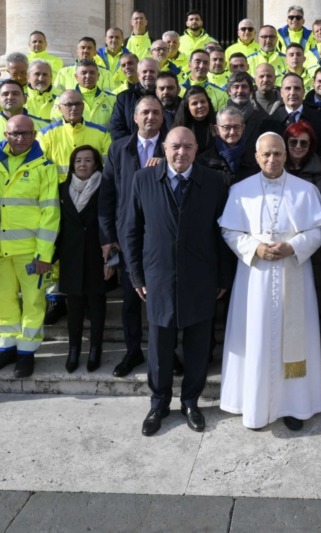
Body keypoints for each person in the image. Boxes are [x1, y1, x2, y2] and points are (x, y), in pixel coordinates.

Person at [124, 127, 232, 436]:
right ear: (164, 148)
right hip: (158, 276)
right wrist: (136, 275)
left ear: (197, 149)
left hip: (201, 277)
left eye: (187, 146)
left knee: (198, 345)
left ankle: (190, 402)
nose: (181, 152)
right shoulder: (143, 179)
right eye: (175, 146)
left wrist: (223, 276)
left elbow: (224, 233)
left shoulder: (213, 182)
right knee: (160, 345)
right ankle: (159, 403)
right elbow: (132, 230)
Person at [219, 133, 321, 431]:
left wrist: (293, 246)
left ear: (286, 155)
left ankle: (294, 405)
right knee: (256, 338)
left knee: (294, 341)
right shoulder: (241, 191)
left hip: (294, 274)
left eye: (278, 154)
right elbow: (229, 231)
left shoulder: (305, 191)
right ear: (256, 156)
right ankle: (254, 405)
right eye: (266, 154)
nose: (272, 159)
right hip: (255, 280)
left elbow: (317, 232)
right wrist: (255, 248)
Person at [0, 115, 60, 378]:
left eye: (26, 134)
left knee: (34, 303)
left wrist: (44, 254)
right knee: (2, 302)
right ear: (5, 134)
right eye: (15, 133)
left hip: (30, 251)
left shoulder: (46, 167)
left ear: (34, 134)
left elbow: (51, 213)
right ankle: (7, 347)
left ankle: (26, 352)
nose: (20, 138)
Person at [99, 96, 167, 377]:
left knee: (162, 299)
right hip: (128, 237)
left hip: (161, 235)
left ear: (162, 117)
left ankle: (164, 353)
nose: (150, 117)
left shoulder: (171, 147)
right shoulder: (118, 149)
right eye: (144, 113)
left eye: (155, 112)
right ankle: (133, 351)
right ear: (135, 118)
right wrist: (107, 237)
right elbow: (107, 194)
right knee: (130, 300)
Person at [55, 145, 113, 373]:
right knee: (75, 307)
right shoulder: (61, 189)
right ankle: (73, 350)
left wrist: (112, 260)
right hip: (70, 257)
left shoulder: (106, 189)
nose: (82, 164)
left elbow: (111, 223)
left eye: (88, 160)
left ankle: (96, 349)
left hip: (98, 256)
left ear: (96, 164)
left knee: (97, 305)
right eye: (78, 160)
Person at [39, 90, 112, 180]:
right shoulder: (46, 134)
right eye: (68, 105)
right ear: (59, 108)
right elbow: (41, 166)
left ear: (83, 106)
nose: (74, 108)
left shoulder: (102, 133)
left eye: (77, 104)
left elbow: (108, 165)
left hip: (93, 187)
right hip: (58, 188)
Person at [174, 85, 217, 153]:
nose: (200, 106)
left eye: (203, 102)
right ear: (187, 107)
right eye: (194, 103)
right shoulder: (180, 129)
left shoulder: (219, 122)